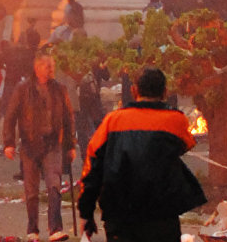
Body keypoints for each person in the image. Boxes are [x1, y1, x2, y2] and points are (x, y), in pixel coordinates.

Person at [78, 68, 207, 242]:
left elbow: (93, 166)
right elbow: (186, 144)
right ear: (165, 92)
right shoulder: (176, 120)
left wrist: (86, 211)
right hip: (162, 213)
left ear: (133, 90)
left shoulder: (112, 121)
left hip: (119, 213)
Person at [2, 52, 75, 242]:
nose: (50, 69)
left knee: (54, 185)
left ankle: (55, 229)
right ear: (37, 67)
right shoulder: (23, 89)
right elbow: (10, 116)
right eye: (46, 65)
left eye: (52, 65)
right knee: (32, 190)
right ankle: (32, 230)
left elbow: (68, 118)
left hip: (53, 144)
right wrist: (9, 143)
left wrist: (70, 145)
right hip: (30, 144)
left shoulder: (60, 89)